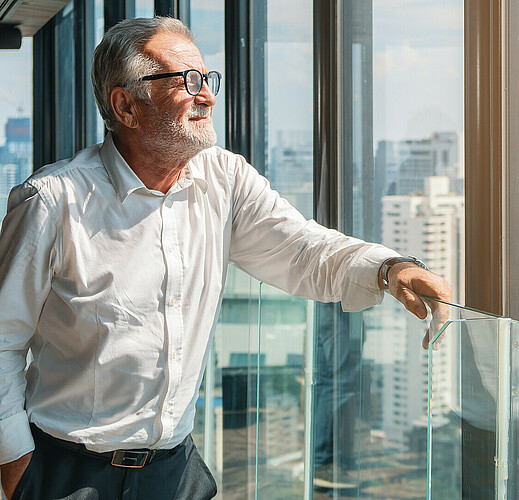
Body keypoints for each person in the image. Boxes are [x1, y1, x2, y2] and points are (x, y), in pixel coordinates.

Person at [0, 17, 451, 500]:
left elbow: (302, 249)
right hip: (69, 474)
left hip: (176, 471)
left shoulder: (225, 177)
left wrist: (389, 268)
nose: (208, 96)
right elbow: (3, 339)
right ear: (125, 105)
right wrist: (16, 464)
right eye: (186, 81)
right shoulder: (53, 201)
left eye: (206, 79)